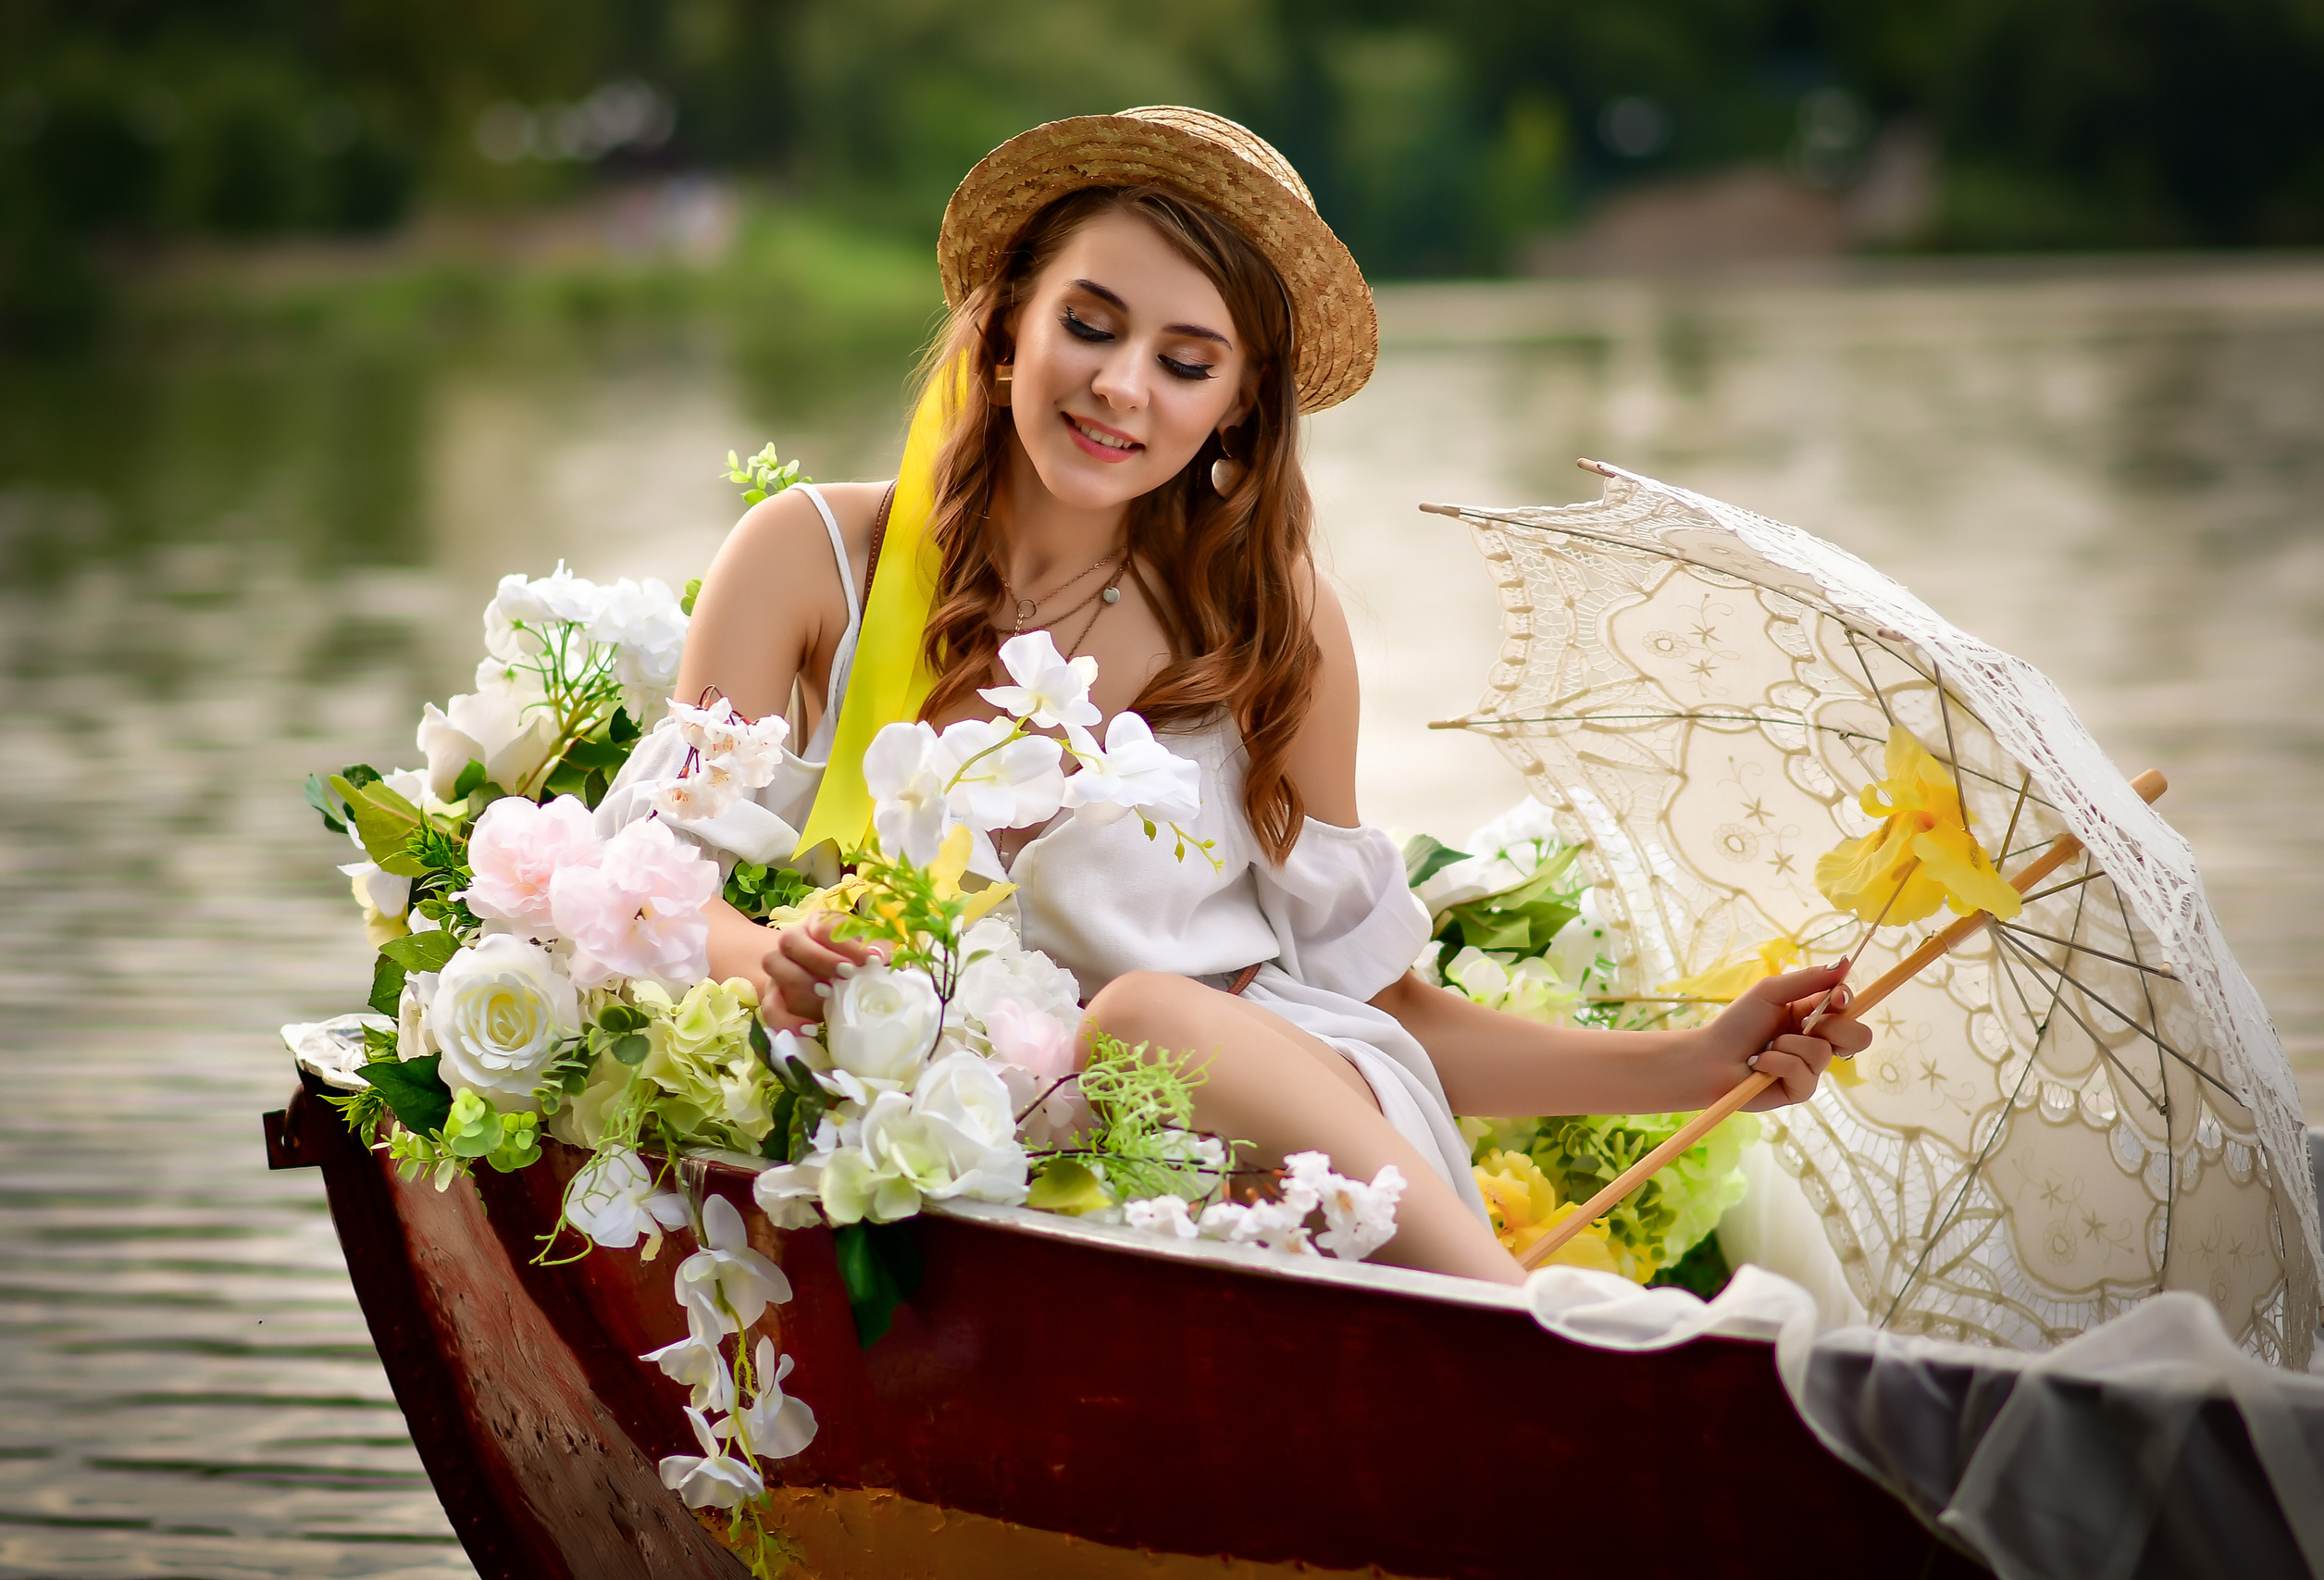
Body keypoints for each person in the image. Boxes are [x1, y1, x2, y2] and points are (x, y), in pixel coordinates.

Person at [665, 107, 1868, 1286]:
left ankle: (1524, 1337)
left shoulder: (1274, 624)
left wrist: (1693, 1066)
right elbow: (653, 887)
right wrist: (770, 958)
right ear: (1009, 320)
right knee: (1090, 1055)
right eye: (1090, 325)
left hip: (1283, 1137)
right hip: (983, 1149)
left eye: (1186, 362)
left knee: (1139, 1022)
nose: (1123, 388)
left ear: (1239, 401)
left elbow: (1390, 1004)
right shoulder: (810, 561)